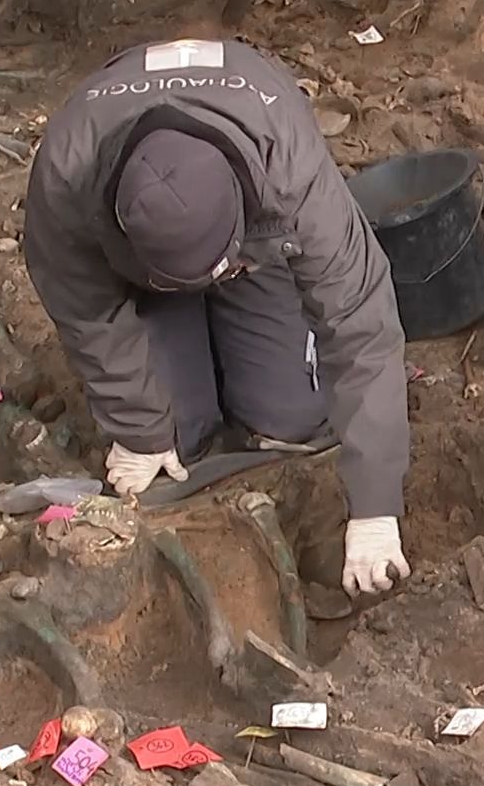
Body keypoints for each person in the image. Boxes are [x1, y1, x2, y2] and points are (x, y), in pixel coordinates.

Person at [24, 37, 410, 596]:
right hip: (148, 275)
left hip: (260, 249)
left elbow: (359, 321)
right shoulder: (66, 176)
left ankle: (230, 300)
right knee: (173, 447)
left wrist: (375, 508)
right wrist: (138, 429)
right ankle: (178, 318)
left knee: (294, 418)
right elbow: (86, 311)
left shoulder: (288, 166)